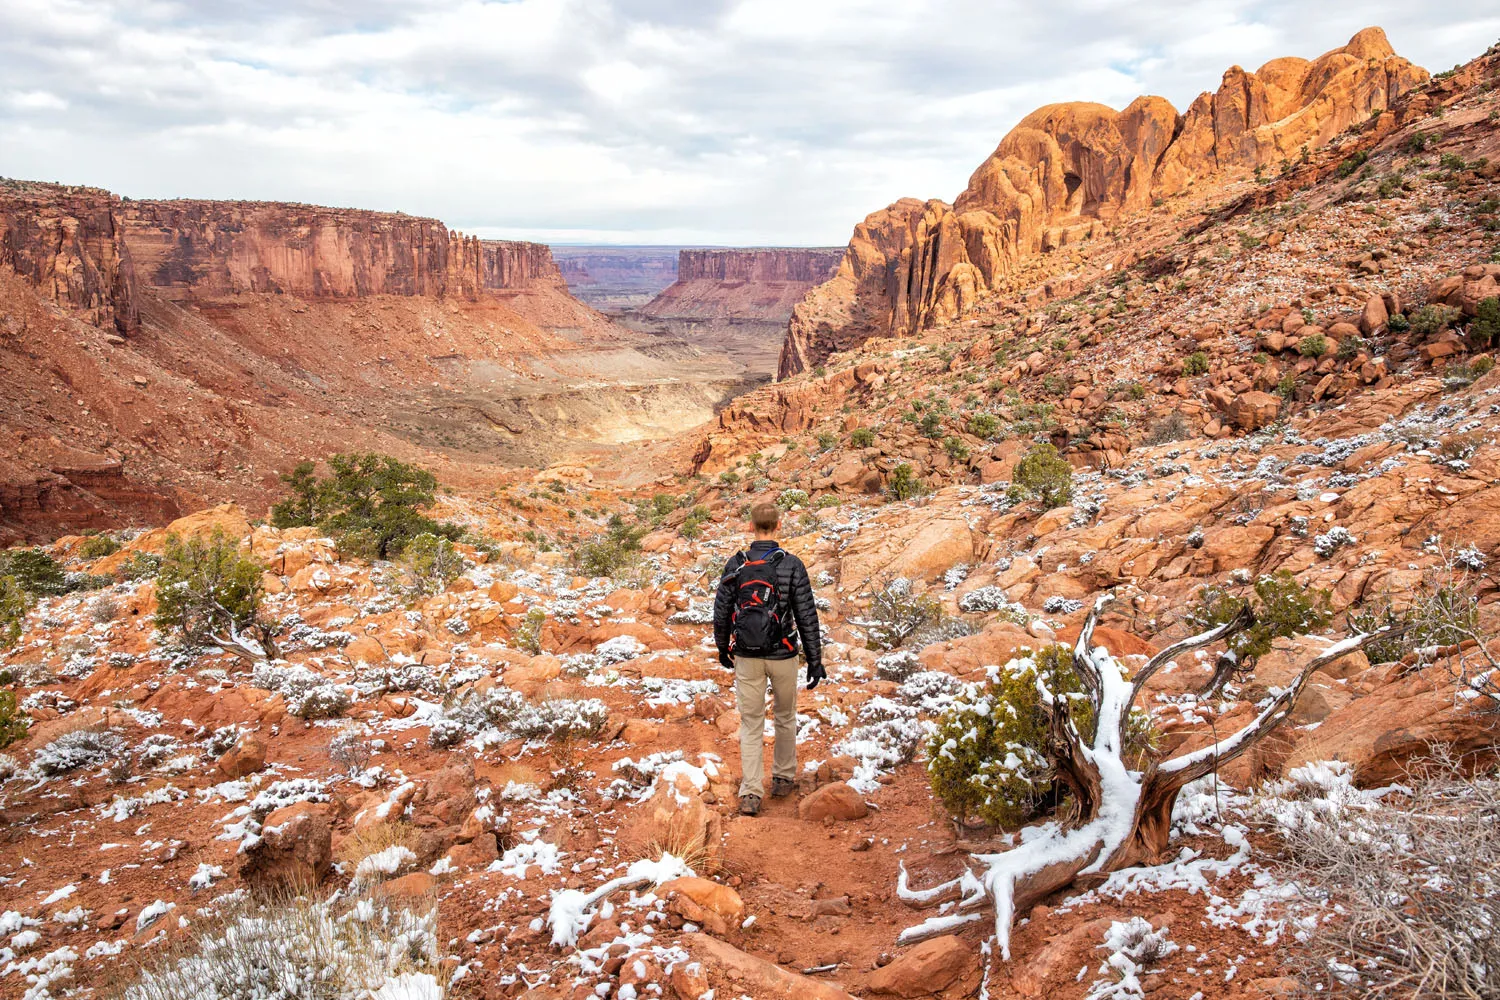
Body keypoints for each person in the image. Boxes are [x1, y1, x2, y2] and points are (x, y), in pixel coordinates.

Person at [713, 502, 825, 816]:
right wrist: (815, 660)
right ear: (778, 526)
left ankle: (750, 793)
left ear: (751, 527)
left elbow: (721, 612)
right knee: (786, 715)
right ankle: (783, 778)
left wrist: (724, 649)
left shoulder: (736, 564)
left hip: (747, 656)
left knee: (751, 724)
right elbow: (806, 616)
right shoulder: (792, 565)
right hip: (784, 653)